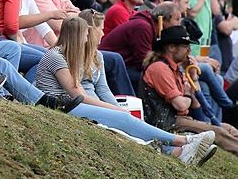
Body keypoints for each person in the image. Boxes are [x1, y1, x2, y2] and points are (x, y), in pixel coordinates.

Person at [35, 17, 217, 167]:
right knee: (122, 119)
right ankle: (183, 142)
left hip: (73, 105)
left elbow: (100, 90)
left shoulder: (84, 56)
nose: (99, 35)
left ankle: (178, 149)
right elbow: (79, 95)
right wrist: (113, 110)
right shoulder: (56, 56)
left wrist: (114, 108)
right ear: (79, 35)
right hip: (65, 107)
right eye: (88, 33)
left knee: (124, 119)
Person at [140, 25, 238, 173]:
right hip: (165, 123)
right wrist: (188, 93)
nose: (189, 50)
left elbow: (195, 106)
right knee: (216, 132)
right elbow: (181, 105)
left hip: (177, 118)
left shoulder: (176, 70)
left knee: (227, 127)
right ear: (171, 47)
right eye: (185, 46)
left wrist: (193, 81)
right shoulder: (160, 68)